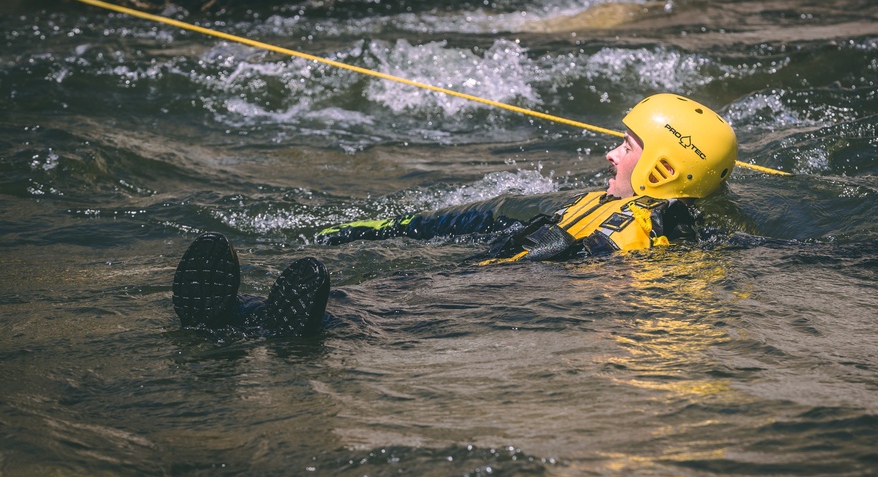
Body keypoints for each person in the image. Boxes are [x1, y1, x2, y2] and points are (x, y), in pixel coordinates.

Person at [171, 93, 740, 334]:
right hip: (501, 272)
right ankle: (235, 313)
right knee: (398, 287)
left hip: (514, 294)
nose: (611, 152)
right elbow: (499, 223)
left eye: (628, 145)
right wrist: (394, 225)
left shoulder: (653, 230)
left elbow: (607, 279)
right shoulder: (610, 203)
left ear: (666, 167)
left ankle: (297, 328)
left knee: (389, 306)